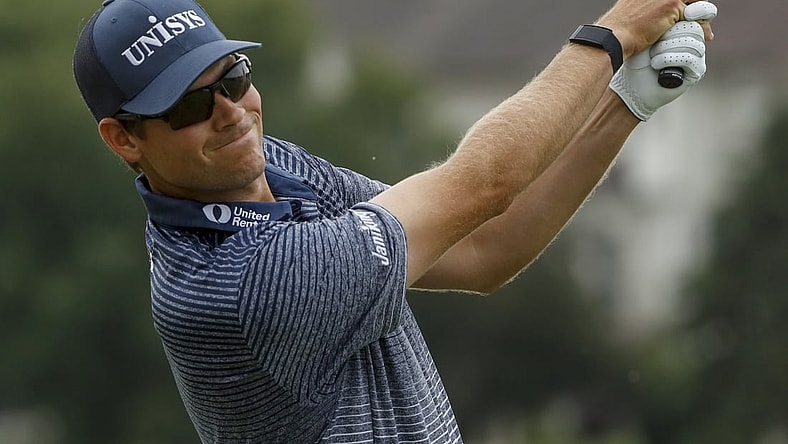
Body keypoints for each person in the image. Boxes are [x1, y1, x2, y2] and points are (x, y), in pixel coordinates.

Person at [73, 0, 716, 442]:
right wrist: (610, 36)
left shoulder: (266, 170)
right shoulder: (246, 286)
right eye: (189, 106)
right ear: (124, 139)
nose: (232, 114)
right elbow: (482, 186)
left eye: (234, 79)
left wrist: (623, 102)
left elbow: (486, 248)